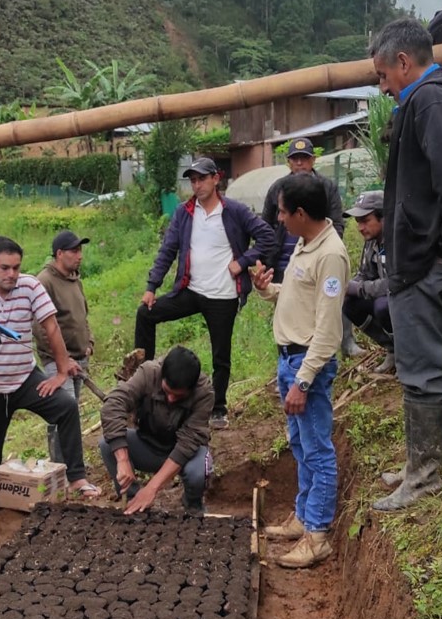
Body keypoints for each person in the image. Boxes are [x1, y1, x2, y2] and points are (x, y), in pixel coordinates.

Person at [368, 18, 442, 513]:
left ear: (402, 62)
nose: (382, 85)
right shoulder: (431, 98)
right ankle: (418, 464)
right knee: (419, 363)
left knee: (426, 369)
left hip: (426, 264)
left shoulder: (431, 100)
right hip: (423, 260)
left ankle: (425, 476)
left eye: (382, 75)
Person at [252, 173, 350, 568]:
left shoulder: (330, 255)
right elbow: (295, 295)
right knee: (300, 446)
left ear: (301, 213)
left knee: (318, 449)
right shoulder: (305, 243)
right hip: (289, 359)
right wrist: (266, 289)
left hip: (307, 362)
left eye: (282, 212)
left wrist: (303, 382)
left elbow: (327, 332)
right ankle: (303, 516)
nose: (278, 219)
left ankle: (318, 535)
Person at [134, 157, 274, 432]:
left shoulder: (234, 211)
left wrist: (243, 262)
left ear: (215, 179)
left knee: (221, 354)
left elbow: (268, 237)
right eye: (193, 180)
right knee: (145, 313)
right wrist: (152, 286)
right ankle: (144, 383)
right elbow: (168, 250)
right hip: (191, 290)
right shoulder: (185, 213)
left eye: (201, 178)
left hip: (223, 296)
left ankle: (218, 407)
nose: (197, 185)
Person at [0, 235, 100, 511]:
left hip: (24, 379)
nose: (12, 274)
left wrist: (61, 372)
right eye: (5, 268)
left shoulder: (29, 286)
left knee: (65, 406)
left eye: (16, 267)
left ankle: (76, 478)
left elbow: (51, 327)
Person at [98, 346, 214, 517]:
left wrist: (152, 488)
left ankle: (193, 503)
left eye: (178, 396)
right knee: (107, 444)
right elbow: (112, 405)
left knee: (199, 471)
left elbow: (188, 443)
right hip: (148, 445)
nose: (170, 399)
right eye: (167, 392)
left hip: (184, 455)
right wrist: (122, 459)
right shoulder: (149, 373)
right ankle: (134, 502)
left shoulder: (204, 393)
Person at [261, 137, 345, 280]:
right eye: (295, 159)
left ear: (313, 160)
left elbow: (336, 223)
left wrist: (325, 252)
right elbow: (265, 225)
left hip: (315, 260)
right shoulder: (278, 188)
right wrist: (267, 257)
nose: (299, 163)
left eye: (304, 158)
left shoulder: (327, 187)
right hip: (283, 262)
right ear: (289, 162)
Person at [34, 229, 94, 402]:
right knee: (64, 411)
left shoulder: (75, 280)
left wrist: (89, 343)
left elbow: (83, 316)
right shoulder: (45, 281)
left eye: (80, 251)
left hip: (80, 359)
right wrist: (64, 359)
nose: (80, 256)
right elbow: (40, 328)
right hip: (57, 362)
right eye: (74, 251)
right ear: (59, 253)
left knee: (71, 412)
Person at [341, 189, 395, 373]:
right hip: (384, 295)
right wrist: (347, 287)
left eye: (365, 221)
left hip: (408, 301)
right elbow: (365, 273)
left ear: (382, 217)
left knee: (383, 306)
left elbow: (395, 283)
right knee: (349, 303)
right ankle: (392, 348)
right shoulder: (372, 240)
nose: (360, 227)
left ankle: (407, 353)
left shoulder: (397, 240)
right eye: (358, 222)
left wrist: (360, 288)